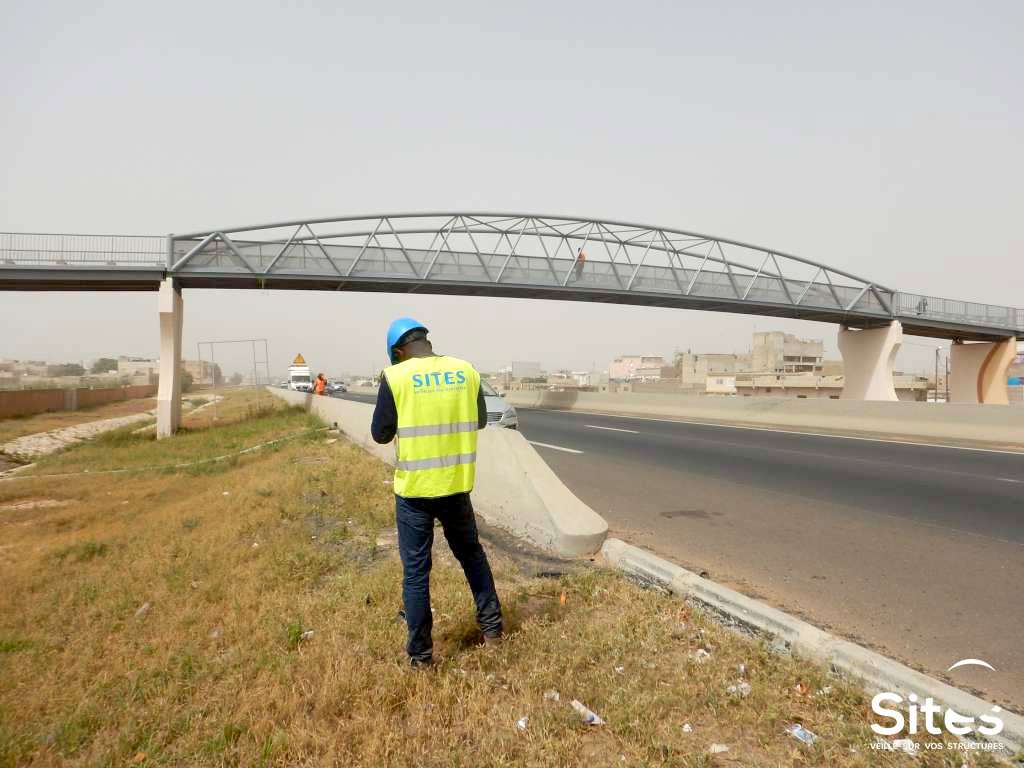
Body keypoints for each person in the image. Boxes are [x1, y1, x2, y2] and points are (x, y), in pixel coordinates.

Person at [371, 317, 503, 667]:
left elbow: (380, 434)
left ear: (398, 352)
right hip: (455, 486)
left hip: (414, 492)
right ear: (426, 342)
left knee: (416, 572)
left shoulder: (395, 377)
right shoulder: (466, 370)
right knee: (472, 557)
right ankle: (493, 631)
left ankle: (421, 656)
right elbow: (479, 420)